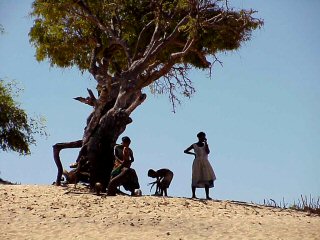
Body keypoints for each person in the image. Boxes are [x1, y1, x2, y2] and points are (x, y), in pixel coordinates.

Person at [184, 132, 216, 200]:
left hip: (205, 162)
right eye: (202, 137)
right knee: (195, 177)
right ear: (199, 137)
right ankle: (193, 195)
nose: (203, 138)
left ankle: (207, 195)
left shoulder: (205, 145)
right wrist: (193, 154)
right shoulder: (194, 145)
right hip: (197, 162)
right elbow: (185, 151)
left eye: (204, 137)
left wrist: (206, 143)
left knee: (206, 177)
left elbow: (208, 152)